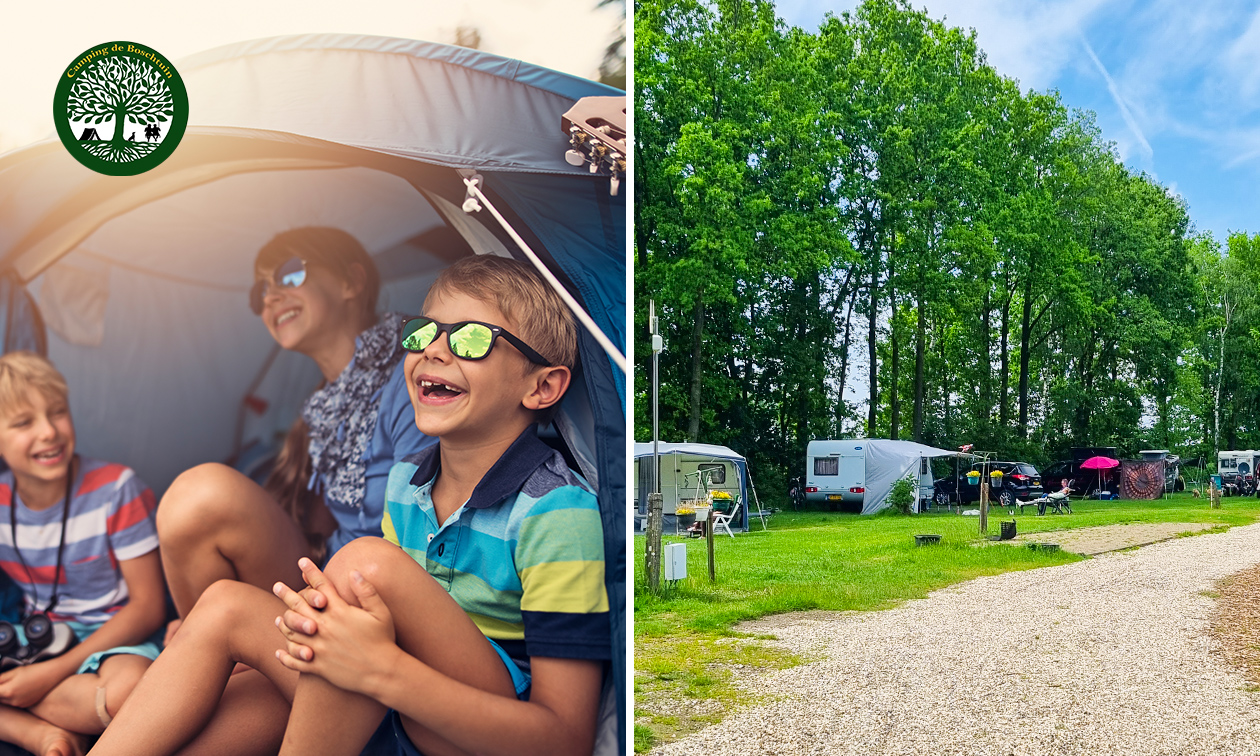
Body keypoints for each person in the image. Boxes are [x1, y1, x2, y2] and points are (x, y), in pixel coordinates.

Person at [88, 255, 609, 756]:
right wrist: (336, 646)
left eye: (472, 339)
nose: (434, 351)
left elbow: (563, 740)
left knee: (366, 564)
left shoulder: (556, 512)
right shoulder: (408, 482)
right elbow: (372, 625)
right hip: (379, 708)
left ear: (542, 386)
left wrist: (381, 670)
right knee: (225, 605)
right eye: (423, 332)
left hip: (460, 728)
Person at [157, 226, 432, 623]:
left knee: (201, 496)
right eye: (260, 292)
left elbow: (428, 529)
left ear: (350, 282)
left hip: (388, 602)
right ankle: (211, 643)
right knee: (195, 504)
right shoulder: (324, 408)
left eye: (289, 274)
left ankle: (216, 646)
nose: (270, 297)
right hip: (329, 577)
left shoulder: (416, 371)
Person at [0, 352, 165, 756]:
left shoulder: (117, 489)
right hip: (38, 636)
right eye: (24, 422)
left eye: (57, 413)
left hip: (116, 638)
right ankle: (42, 735)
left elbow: (149, 608)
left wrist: (49, 675)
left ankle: (26, 712)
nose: (48, 432)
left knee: (135, 691)